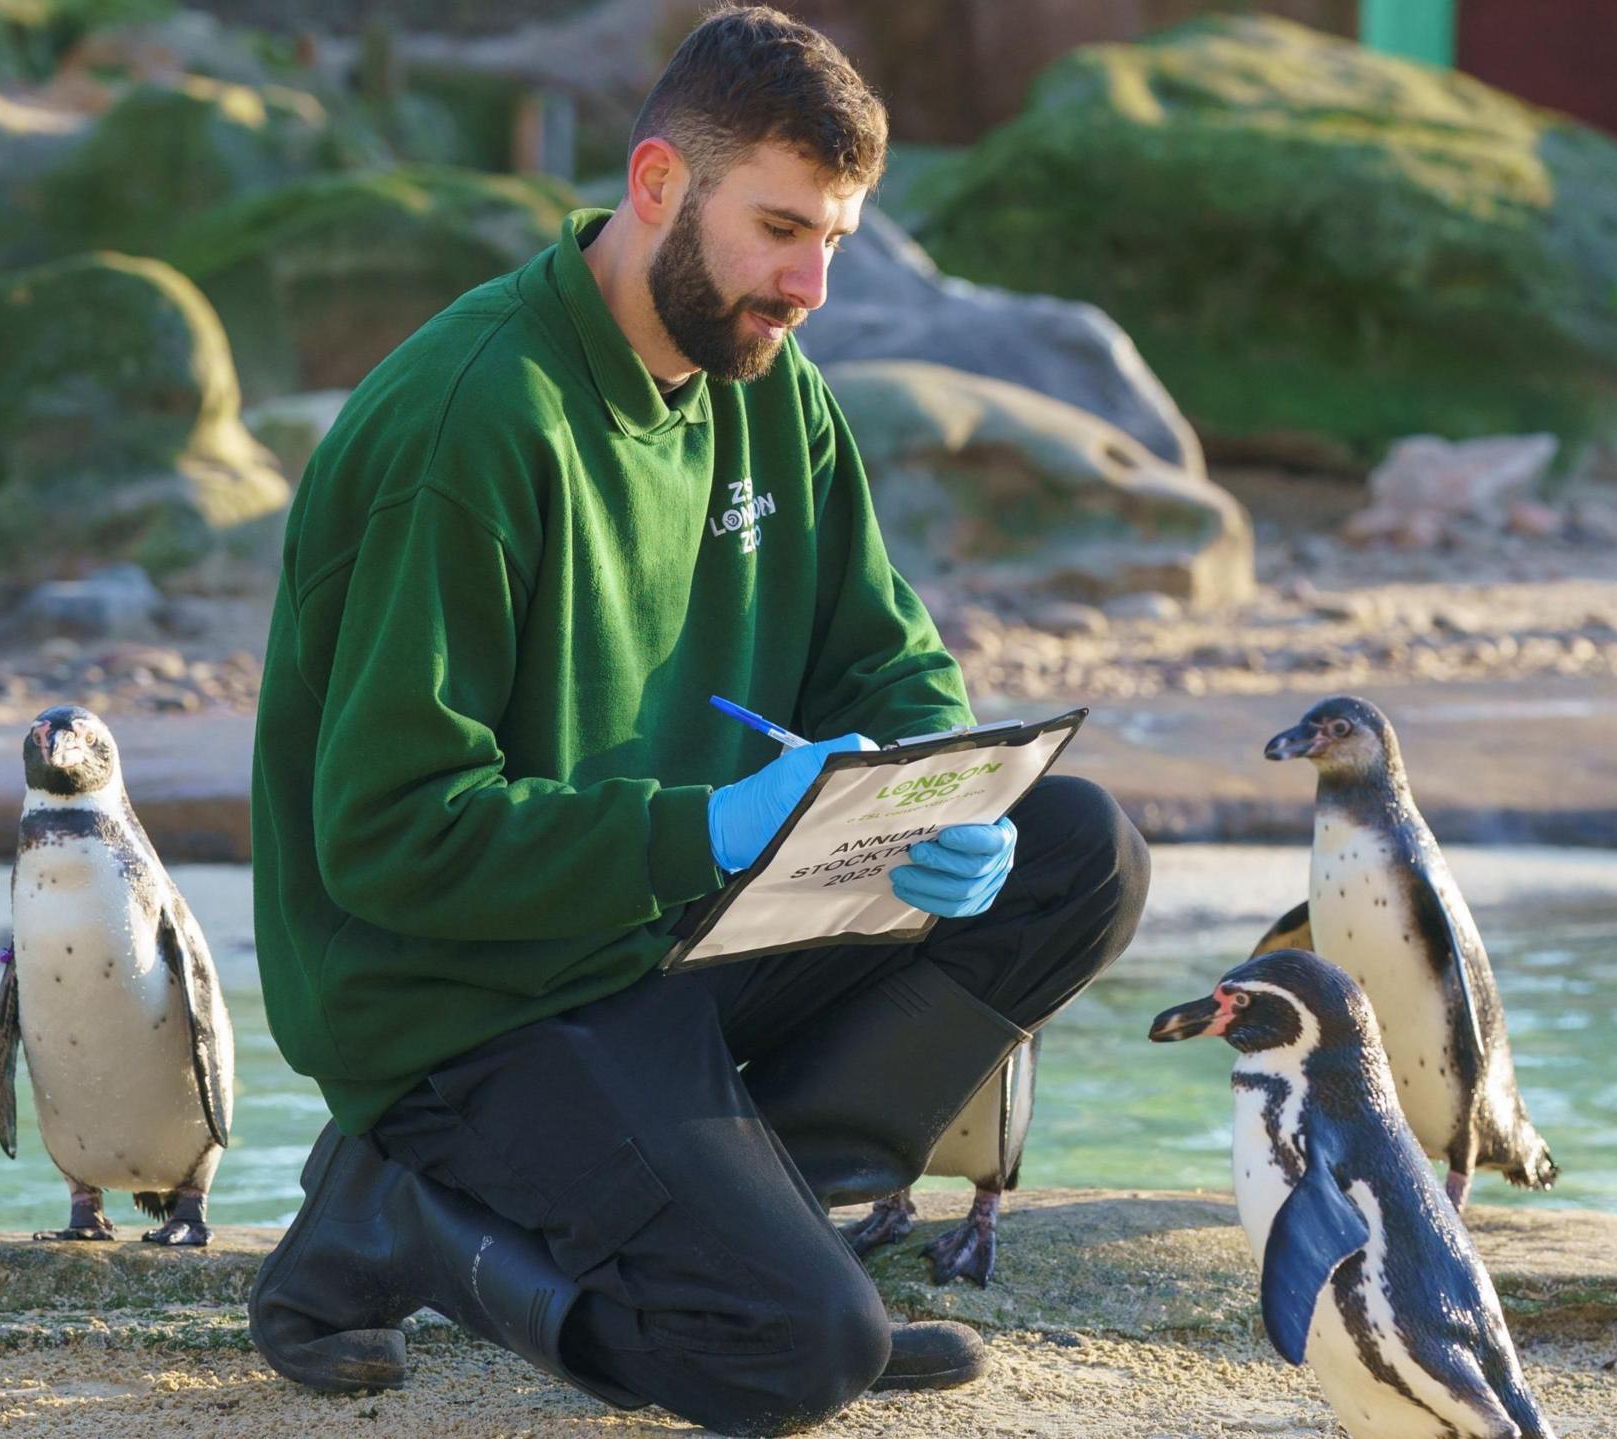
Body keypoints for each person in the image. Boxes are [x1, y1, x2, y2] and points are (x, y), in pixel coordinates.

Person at [244, 7, 1149, 1434]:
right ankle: (410, 1212)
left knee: (1075, 849)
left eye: (837, 238)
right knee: (788, 1359)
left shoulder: (763, 382)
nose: (813, 284)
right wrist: (709, 827)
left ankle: (786, 1220)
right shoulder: (472, 424)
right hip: (469, 997)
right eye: (783, 227)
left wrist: (935, 799)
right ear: (660, 184)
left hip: (668, 932)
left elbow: (887, 662)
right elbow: (387, 842)